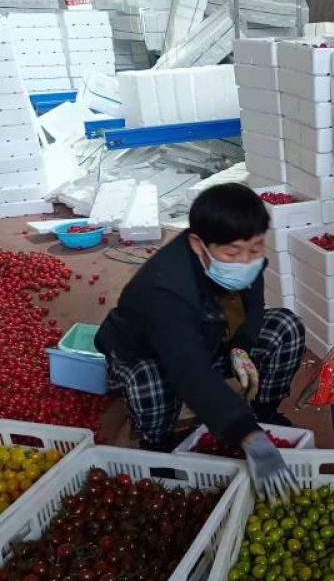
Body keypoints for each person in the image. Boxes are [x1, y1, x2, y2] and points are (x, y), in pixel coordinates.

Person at [96, 183, 304, 497]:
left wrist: (242, 346)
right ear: (197, 244)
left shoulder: (243, 253)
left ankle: (264, 412)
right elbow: (188, 371)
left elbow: (255, 307)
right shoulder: (164, 289)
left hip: (211, 333)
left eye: (256, 248)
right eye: (232, 253)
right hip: (149, 351)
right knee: (150, 382)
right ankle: (159, 445)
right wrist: (246, 433)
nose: (246, 261)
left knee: (285, 327)